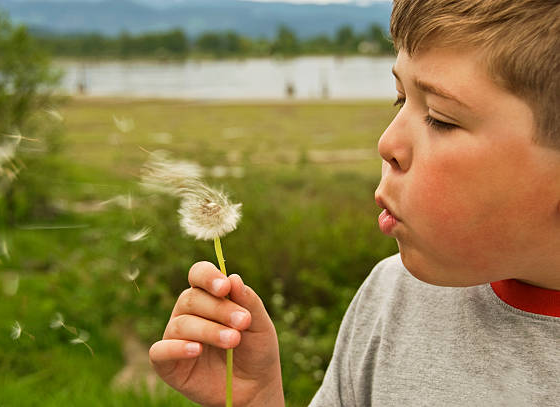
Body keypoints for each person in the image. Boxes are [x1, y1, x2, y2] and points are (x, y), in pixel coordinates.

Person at [149, 0, 560, 405]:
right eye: (400, 98)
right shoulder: (391, 295)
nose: (387, 143)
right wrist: (257, 400)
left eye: (439, 118)